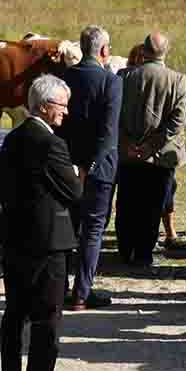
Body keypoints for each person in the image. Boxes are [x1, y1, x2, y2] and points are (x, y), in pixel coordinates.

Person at [0, 74, 82, 371]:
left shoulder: (13, 138)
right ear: (46, 107)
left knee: (15, 314)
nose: (65, 112)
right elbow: (74, 191)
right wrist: (76, 172)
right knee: (47, 320)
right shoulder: (52, 144)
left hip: (16, 239)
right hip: (47, 245)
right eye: (62, 106)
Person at [60, 25, 121, 311]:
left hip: (66, 165)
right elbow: (108, 133)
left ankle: (60, 288)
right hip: (99, 169)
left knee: (66, 228)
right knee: (93, 230)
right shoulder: (111, 82)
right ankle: (82, 293)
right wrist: (91, 166)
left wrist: (74, 165)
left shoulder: (64, 77)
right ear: (104, 51)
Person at [117, 33, 186, 271]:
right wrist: (152, 145)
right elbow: (178, 120)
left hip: (128, 152)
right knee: (152, 206)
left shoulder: (124, 76)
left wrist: (127, 141)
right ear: (166, 52)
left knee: (127, 203)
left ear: (144, 51)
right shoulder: (177, 80)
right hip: (159, 156)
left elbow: (114, 113)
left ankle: (126, 251)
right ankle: (144, 254)